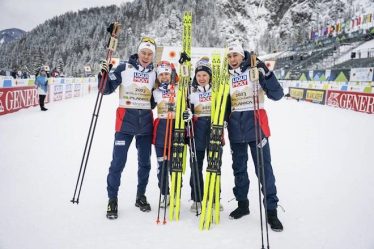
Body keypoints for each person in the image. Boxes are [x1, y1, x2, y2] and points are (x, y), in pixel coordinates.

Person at [225, 40, 284, 232]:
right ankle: (243, 204)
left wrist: (264, 72)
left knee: (264, 170)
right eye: (230, 56)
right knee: (239, 169)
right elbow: (222, 104)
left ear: (242, 56)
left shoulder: (255, 70)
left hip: (257, 129)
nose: (232, 59)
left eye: (236, 55)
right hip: (235, 131)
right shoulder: (224, 76)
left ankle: (271, 211)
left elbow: (277, 94)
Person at [99, 37, 157, 219]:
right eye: (143, 53)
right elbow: (106, 89)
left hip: (146, 126)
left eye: (150, 54)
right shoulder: (124, 68)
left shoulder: (155, 73)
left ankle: (140, 196)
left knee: (145, 163)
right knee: (117, 163)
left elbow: (158, 97)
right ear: (138, 52)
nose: (146, 56)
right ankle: (112, 199)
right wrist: (103, 75)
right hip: (124, 124)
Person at [183, 57, 223, 213]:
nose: (201, 78)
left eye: (204, 75)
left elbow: (225, 109)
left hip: (214, 133)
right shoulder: (191, 93)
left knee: (215, 166)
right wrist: (186, 115)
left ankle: (214, 198)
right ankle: (197, 198)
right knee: (196, 167)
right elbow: (185, 110)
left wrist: (223, 120)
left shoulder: (217, 91)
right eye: (199, 75)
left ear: (210, 76)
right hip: (196, 134)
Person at [152, 61, 179, 208]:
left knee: (175, 165)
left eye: (166, 74)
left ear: (171, 75)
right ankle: (165, 194)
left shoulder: (179, 90)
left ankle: (175, 194)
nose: (164, 77)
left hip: (176, 130)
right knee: (162, 165)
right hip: (161, 131)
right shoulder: (155, 92)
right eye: (161, 74)